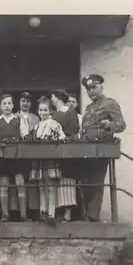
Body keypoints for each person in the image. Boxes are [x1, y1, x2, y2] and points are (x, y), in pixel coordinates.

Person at [80, 74, 126, 222]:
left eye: (94, 87)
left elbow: (121, 125)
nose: (91, 91)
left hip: (101, 149)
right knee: (85, 182)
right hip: (86, 149)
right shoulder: (88, 108)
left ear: (101, 87)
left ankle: (93, 216)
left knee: (97, 182)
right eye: (88, 89)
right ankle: (86, 212)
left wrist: (109, 125)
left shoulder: (109, 104)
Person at [0, 94, 30, 221]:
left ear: (13, 106)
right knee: (4, 185)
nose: (6, 106)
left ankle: (23, 214)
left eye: (9, 103)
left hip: (16, 156)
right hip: (2, 157)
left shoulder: (19, 119)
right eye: (4, 103)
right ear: (1, 106)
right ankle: (5, 214)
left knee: (20, 184)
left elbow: (25, 136)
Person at [29, 97, 66, 221]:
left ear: (50, 111)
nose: (43, 113)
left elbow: (62, 137)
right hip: (40, 160)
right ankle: (42, 212)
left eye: (45, 110)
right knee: (41, 186)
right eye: (41, 110)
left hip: (50, 158)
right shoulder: (37, 126)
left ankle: (51, 213)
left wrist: (53, 143)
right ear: (38, 111)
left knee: (50, 186)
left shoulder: (53, 123)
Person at [49, 89, 80, 222]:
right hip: (55, 151)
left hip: (67, 149)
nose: (51, 100)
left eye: (53, 97)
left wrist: (63, 137)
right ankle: (58, 211)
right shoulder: (55, 114)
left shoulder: (70, 111)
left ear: (58, 98)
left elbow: (74, 129)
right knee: (57, 179)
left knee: (67, 179)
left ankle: (68, 212)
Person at [15, 91, 41, 219]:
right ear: (19, 102)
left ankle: (34, 211)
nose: (25, 103)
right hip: (19, 154)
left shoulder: (36, 118)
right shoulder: (14, 117)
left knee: (32, 182)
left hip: (32, 154)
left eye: (28, 101)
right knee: (19, 183)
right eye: (23, 101)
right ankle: (20, 212)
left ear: (31, 104)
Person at [67, 93, 85, 220]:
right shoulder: (63, 116)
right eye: (69, 101)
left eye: (73, 101)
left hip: (78, 153)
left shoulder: (81, 118)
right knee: (67, 184)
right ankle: (66, 213)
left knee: (80, 184)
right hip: (66, 153)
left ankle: (81, 213)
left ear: (77, 104)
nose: (71, 104)